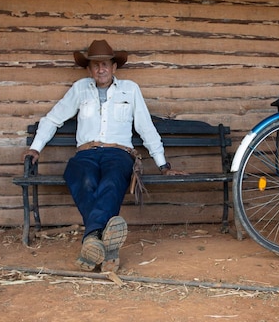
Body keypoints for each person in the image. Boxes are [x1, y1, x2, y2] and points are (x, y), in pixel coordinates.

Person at [22, 39, 185, 272]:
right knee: (81, 177)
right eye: (95, 65)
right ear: (89, 69)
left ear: (114, 67)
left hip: (118, 154)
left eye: (105, 64)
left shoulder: (130, 90)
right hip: (86, 153)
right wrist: (35, 148)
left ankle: (91, 239)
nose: (101, 69)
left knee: (112, 180)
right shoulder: (80, 89)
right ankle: (105, 243)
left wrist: (163, 165)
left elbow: (146, 128)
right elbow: (53, 119)